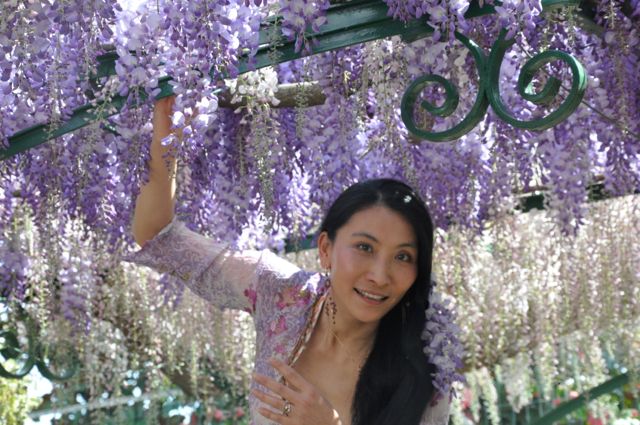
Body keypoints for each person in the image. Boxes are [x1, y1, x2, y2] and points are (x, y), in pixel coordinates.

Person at [127, 96, 457, 425]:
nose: (380, 275)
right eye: (364, 248)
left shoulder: (426, 376)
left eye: (403, 256)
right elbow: (159, 237)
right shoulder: (283, 293)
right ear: (325, 249)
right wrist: (165, 137)